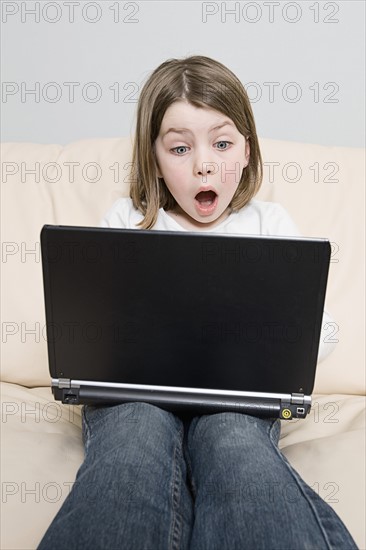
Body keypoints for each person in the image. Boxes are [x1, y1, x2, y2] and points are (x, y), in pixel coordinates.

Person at [38, 55, 357, 550]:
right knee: (132, 445)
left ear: (247, 152)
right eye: (181, 148)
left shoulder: (269, 224)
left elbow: (324, 329)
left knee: (233, 445)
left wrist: (278, 345)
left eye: (222, 143)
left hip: (236, 401)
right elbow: (88, 324)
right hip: (130, 398)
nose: (204, 163)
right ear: (155, 160)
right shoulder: (125, 221)